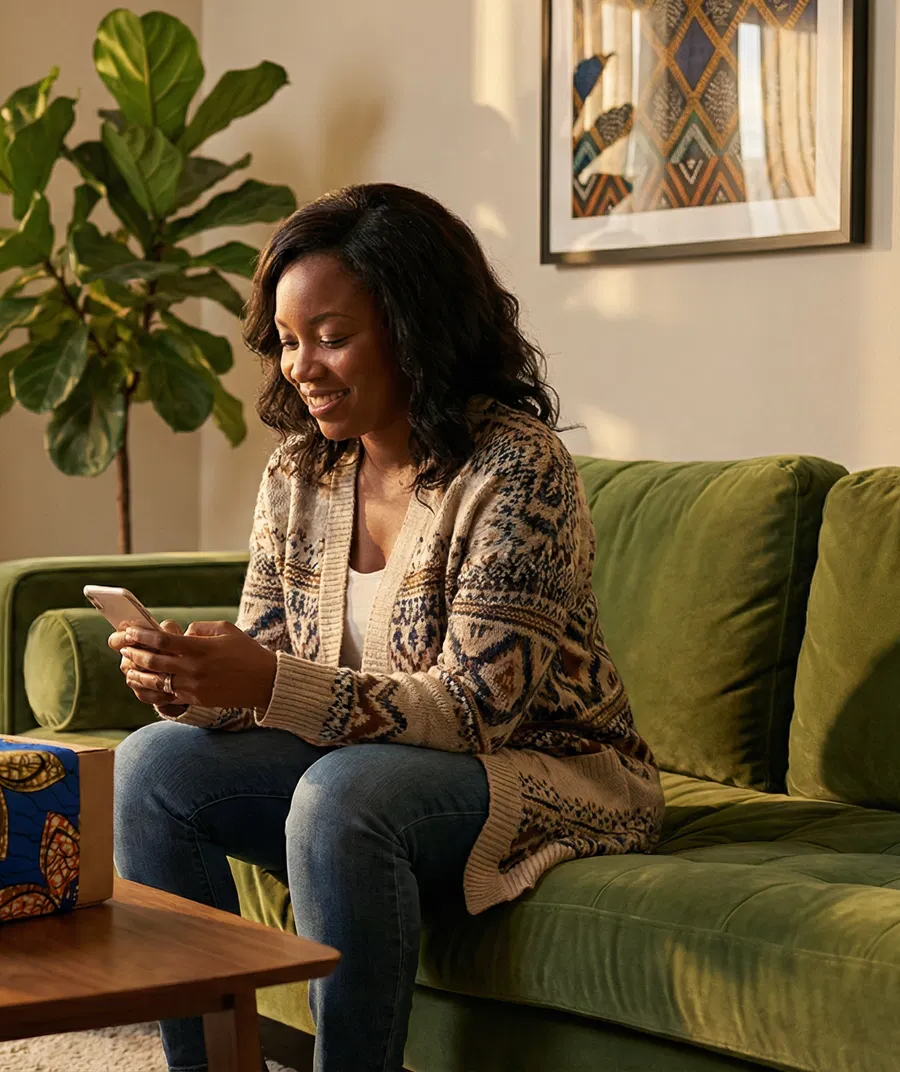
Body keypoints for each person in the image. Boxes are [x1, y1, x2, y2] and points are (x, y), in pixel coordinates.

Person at [106, 183, 663, 1072]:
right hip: (363, 764)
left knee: (345, 794)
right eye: (289, 342)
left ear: (415, 327)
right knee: (153, 766)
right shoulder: (301, 471)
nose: (302, 367)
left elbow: (478, 712)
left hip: (545, 768)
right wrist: (197, 685)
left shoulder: (518, 470)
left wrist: (267, 683)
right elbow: (273, 669)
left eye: (332, 337)